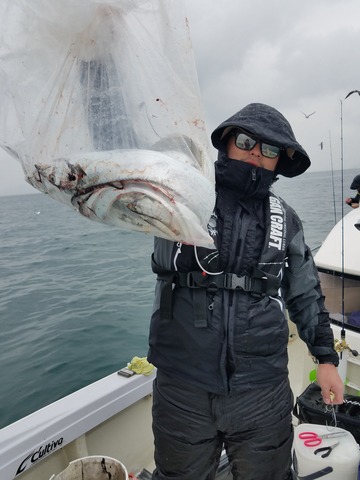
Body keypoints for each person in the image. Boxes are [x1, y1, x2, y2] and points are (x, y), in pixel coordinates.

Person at [148, 103, 344, 480]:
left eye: (270, 149)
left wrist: (326, 358)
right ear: (227, 143)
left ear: (280, 160)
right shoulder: (181, 193)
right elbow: (127, 175)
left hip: (262, 387)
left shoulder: (286, 219)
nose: (257, 152)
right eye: (246, 140)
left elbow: (304, 293)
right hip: (183, 383)